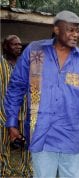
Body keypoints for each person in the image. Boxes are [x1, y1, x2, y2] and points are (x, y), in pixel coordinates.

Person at [4, 10, 79, 177]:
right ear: (56, 29)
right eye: (71, 30)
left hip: (71, 133)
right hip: (40, 132)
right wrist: (12, 123)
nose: (76, 34)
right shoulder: (36, 53)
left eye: (78, 30)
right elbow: (16, 87)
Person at [0, 35, 32, 177]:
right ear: (6, 46)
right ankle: (4, 170)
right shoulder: (1, 65)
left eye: (20, 45)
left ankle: (26, 168)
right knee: (3, 143)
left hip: (24, 111)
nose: (19, 47)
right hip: (4, 112)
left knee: (26, 141)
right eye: (14, 45)